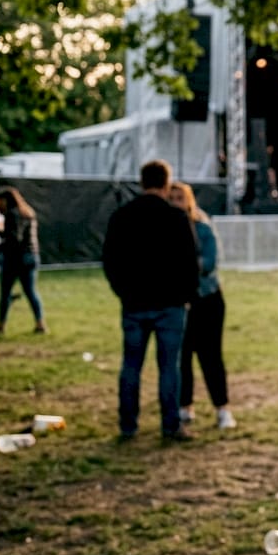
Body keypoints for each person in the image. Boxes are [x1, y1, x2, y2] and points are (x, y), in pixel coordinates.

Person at [102, 160, 200, 443]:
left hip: (134, 302)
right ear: (166, 183)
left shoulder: (122, 216)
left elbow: (110, 259)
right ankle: (170, 425)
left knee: (131, 365)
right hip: (170, 303)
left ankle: (128, 425)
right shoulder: (177, 218)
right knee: (169, 367)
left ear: (142, 182)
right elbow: (189, 262)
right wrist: (187, 296)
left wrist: (122, 290)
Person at [169, 182, 236, 430]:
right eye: (171, 198)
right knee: (182, 357)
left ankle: (222, 408)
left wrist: (184, 265)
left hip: (206, 299)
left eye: (180, 198)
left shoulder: (202, 228)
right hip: (180, 301)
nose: (176, 203)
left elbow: (209, 261)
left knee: (210, 356)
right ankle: (185, 406)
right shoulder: (165, 230)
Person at [0, 187, 47, 335]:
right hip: (32, 256)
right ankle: (40, 323)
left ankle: (1, 325)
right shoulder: (28, 213)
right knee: (31, 292)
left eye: (0, 201)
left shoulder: (12, 214)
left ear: (6, 200)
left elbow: (13, 238)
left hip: (14, 259)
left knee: (5, 293)